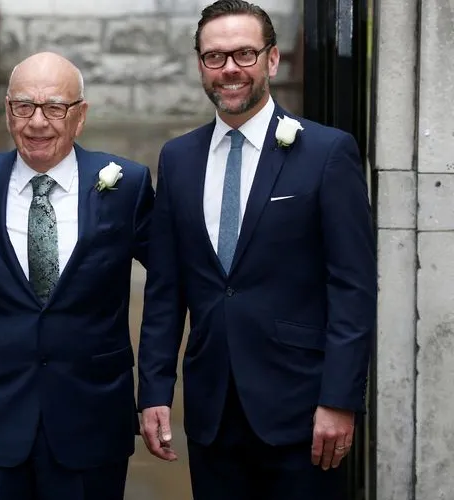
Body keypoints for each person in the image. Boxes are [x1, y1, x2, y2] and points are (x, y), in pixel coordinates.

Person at [136, 1, 377, 498]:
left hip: (302, 411)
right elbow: (165, 290)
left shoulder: (327, 153)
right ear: (200, 64)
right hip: (212, 411)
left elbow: (352, 287)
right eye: (215, 56)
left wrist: (340, 399)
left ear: (272, 59)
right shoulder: (178, 159)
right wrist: (155, 390)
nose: (229, 69)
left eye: (244, 54)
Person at [0, 51, 154, 499]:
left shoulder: (126, 186)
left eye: (54, 107)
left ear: (80, 116)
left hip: (92, 419)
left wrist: (157, 389)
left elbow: (173, 284)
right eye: (24, 106)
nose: (37, 122)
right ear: (8, 111)